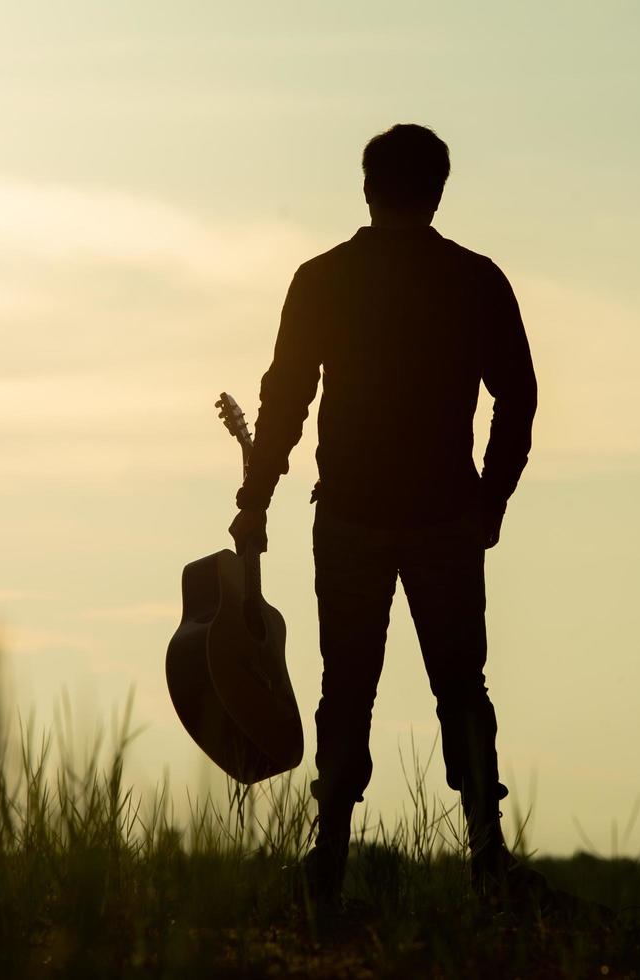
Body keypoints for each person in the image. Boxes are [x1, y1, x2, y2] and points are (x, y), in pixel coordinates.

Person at [228, 123, 545, 910]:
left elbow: (286, 397)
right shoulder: (475, 280)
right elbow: (519, 397)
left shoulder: (323, 278)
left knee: (347, 688)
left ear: (367, 189)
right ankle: (486, 856)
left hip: (351, 520)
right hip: (443, 519)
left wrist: (256, 495)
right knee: (460, 689)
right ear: (437, 191)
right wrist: (490, 500)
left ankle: (327, 860)